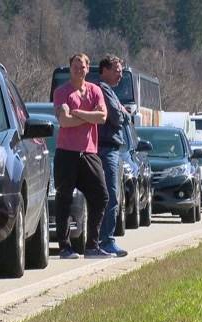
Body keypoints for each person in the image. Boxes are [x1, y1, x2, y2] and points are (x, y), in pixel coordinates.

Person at [53, 53, 111, 259]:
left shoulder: (95, 91)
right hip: (66, 153)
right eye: (75, 67)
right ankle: (65, 247)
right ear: (70, 69)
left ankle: (92, 245)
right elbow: (64, 122)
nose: (79, 70)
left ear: (88, 69)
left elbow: (103, 117)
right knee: (64, 200)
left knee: (101, 196)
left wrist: (77, 112)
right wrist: (89, 116)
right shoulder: (61, 93)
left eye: (83, 67)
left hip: (89, 152)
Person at [97, 54, 129, 257]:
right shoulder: (103, 89)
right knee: (111, 196)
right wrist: (123, 112)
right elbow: (118, 117)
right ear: (105, 70)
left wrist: (122, 111)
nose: (120, 75)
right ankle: (106, 241)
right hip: (107, 148)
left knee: (108, 196)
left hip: (110, 148)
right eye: (117, 71)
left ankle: (102, 240)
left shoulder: (110, 91)